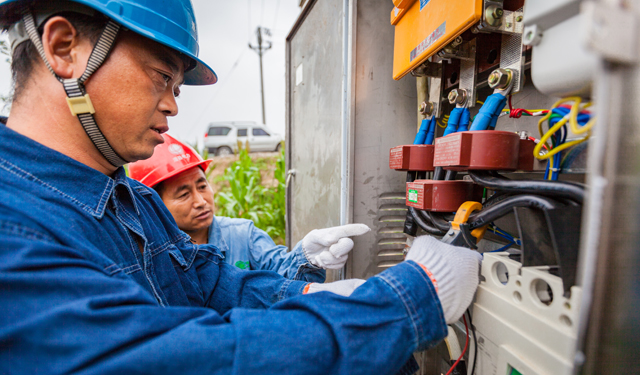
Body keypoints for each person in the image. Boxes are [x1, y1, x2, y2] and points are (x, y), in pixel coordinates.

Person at [0, 0, 483, 374]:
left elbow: (210, 285)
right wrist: (403, 303)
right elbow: (188, 360)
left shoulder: (132, 199)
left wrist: (314, 291)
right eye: (162, 78)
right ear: (65, 48)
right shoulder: (14, 228)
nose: (172, 107)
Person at [128, 133, 369, 284]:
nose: (201, 200)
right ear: (153, 204)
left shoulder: (242, 235)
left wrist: (306, 257)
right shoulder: (146, 256)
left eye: (202, 186)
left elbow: (280, 273)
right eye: (183, 194)